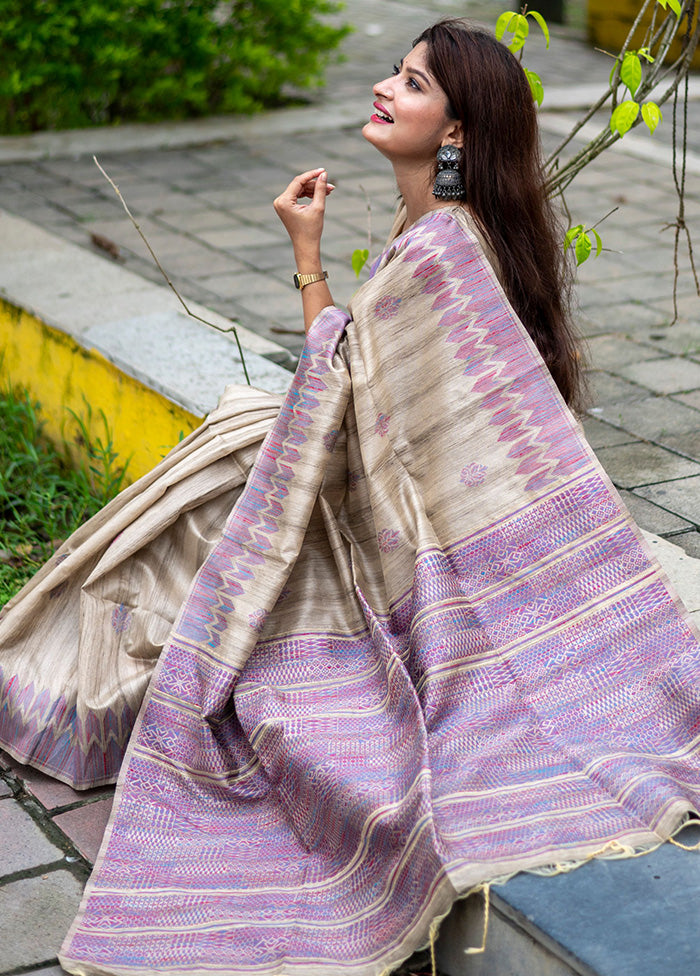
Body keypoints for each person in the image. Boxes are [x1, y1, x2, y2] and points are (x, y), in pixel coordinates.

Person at [1, 18, 699, 976]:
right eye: (396, 71)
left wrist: (306, 281)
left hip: (393, 541)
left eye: (411, 84)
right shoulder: (435, 230)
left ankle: (60, 700)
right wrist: (312, 250)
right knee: (208, 480)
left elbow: (361, 407)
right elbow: (352, 378)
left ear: (454, 135)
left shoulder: (444, 253)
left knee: (193, 519)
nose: (384, 87)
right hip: (354, 489)